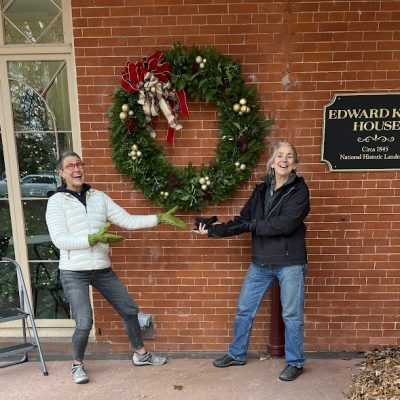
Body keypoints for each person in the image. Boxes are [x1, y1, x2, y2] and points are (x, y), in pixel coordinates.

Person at [46, 150, 185, 384]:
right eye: (70, 166)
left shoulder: (98, 197)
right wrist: (91, 239)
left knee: (129, 310)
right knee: (84, 322)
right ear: (61, 173)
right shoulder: (56, 201)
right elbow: (59, 239)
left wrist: (158, 219)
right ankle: (77, 365)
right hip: (73, 271)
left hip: (101, 268)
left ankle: (141, 355)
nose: (76, 169)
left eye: (79, 164)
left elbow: (127, 220)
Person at [193, 141, 310, 382]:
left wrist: (253, 225)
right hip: (261, 263)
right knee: (244, 309)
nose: (284, 159)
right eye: (280, 155)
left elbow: (285, 224)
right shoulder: (261, 189)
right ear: (272, 162)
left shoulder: (299, 191)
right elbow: (243, 220)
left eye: (289, 156)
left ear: (295, 164)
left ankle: (295, 362)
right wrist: (213, 231)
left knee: (291, 315)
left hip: (290, 262)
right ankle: (237, 354)